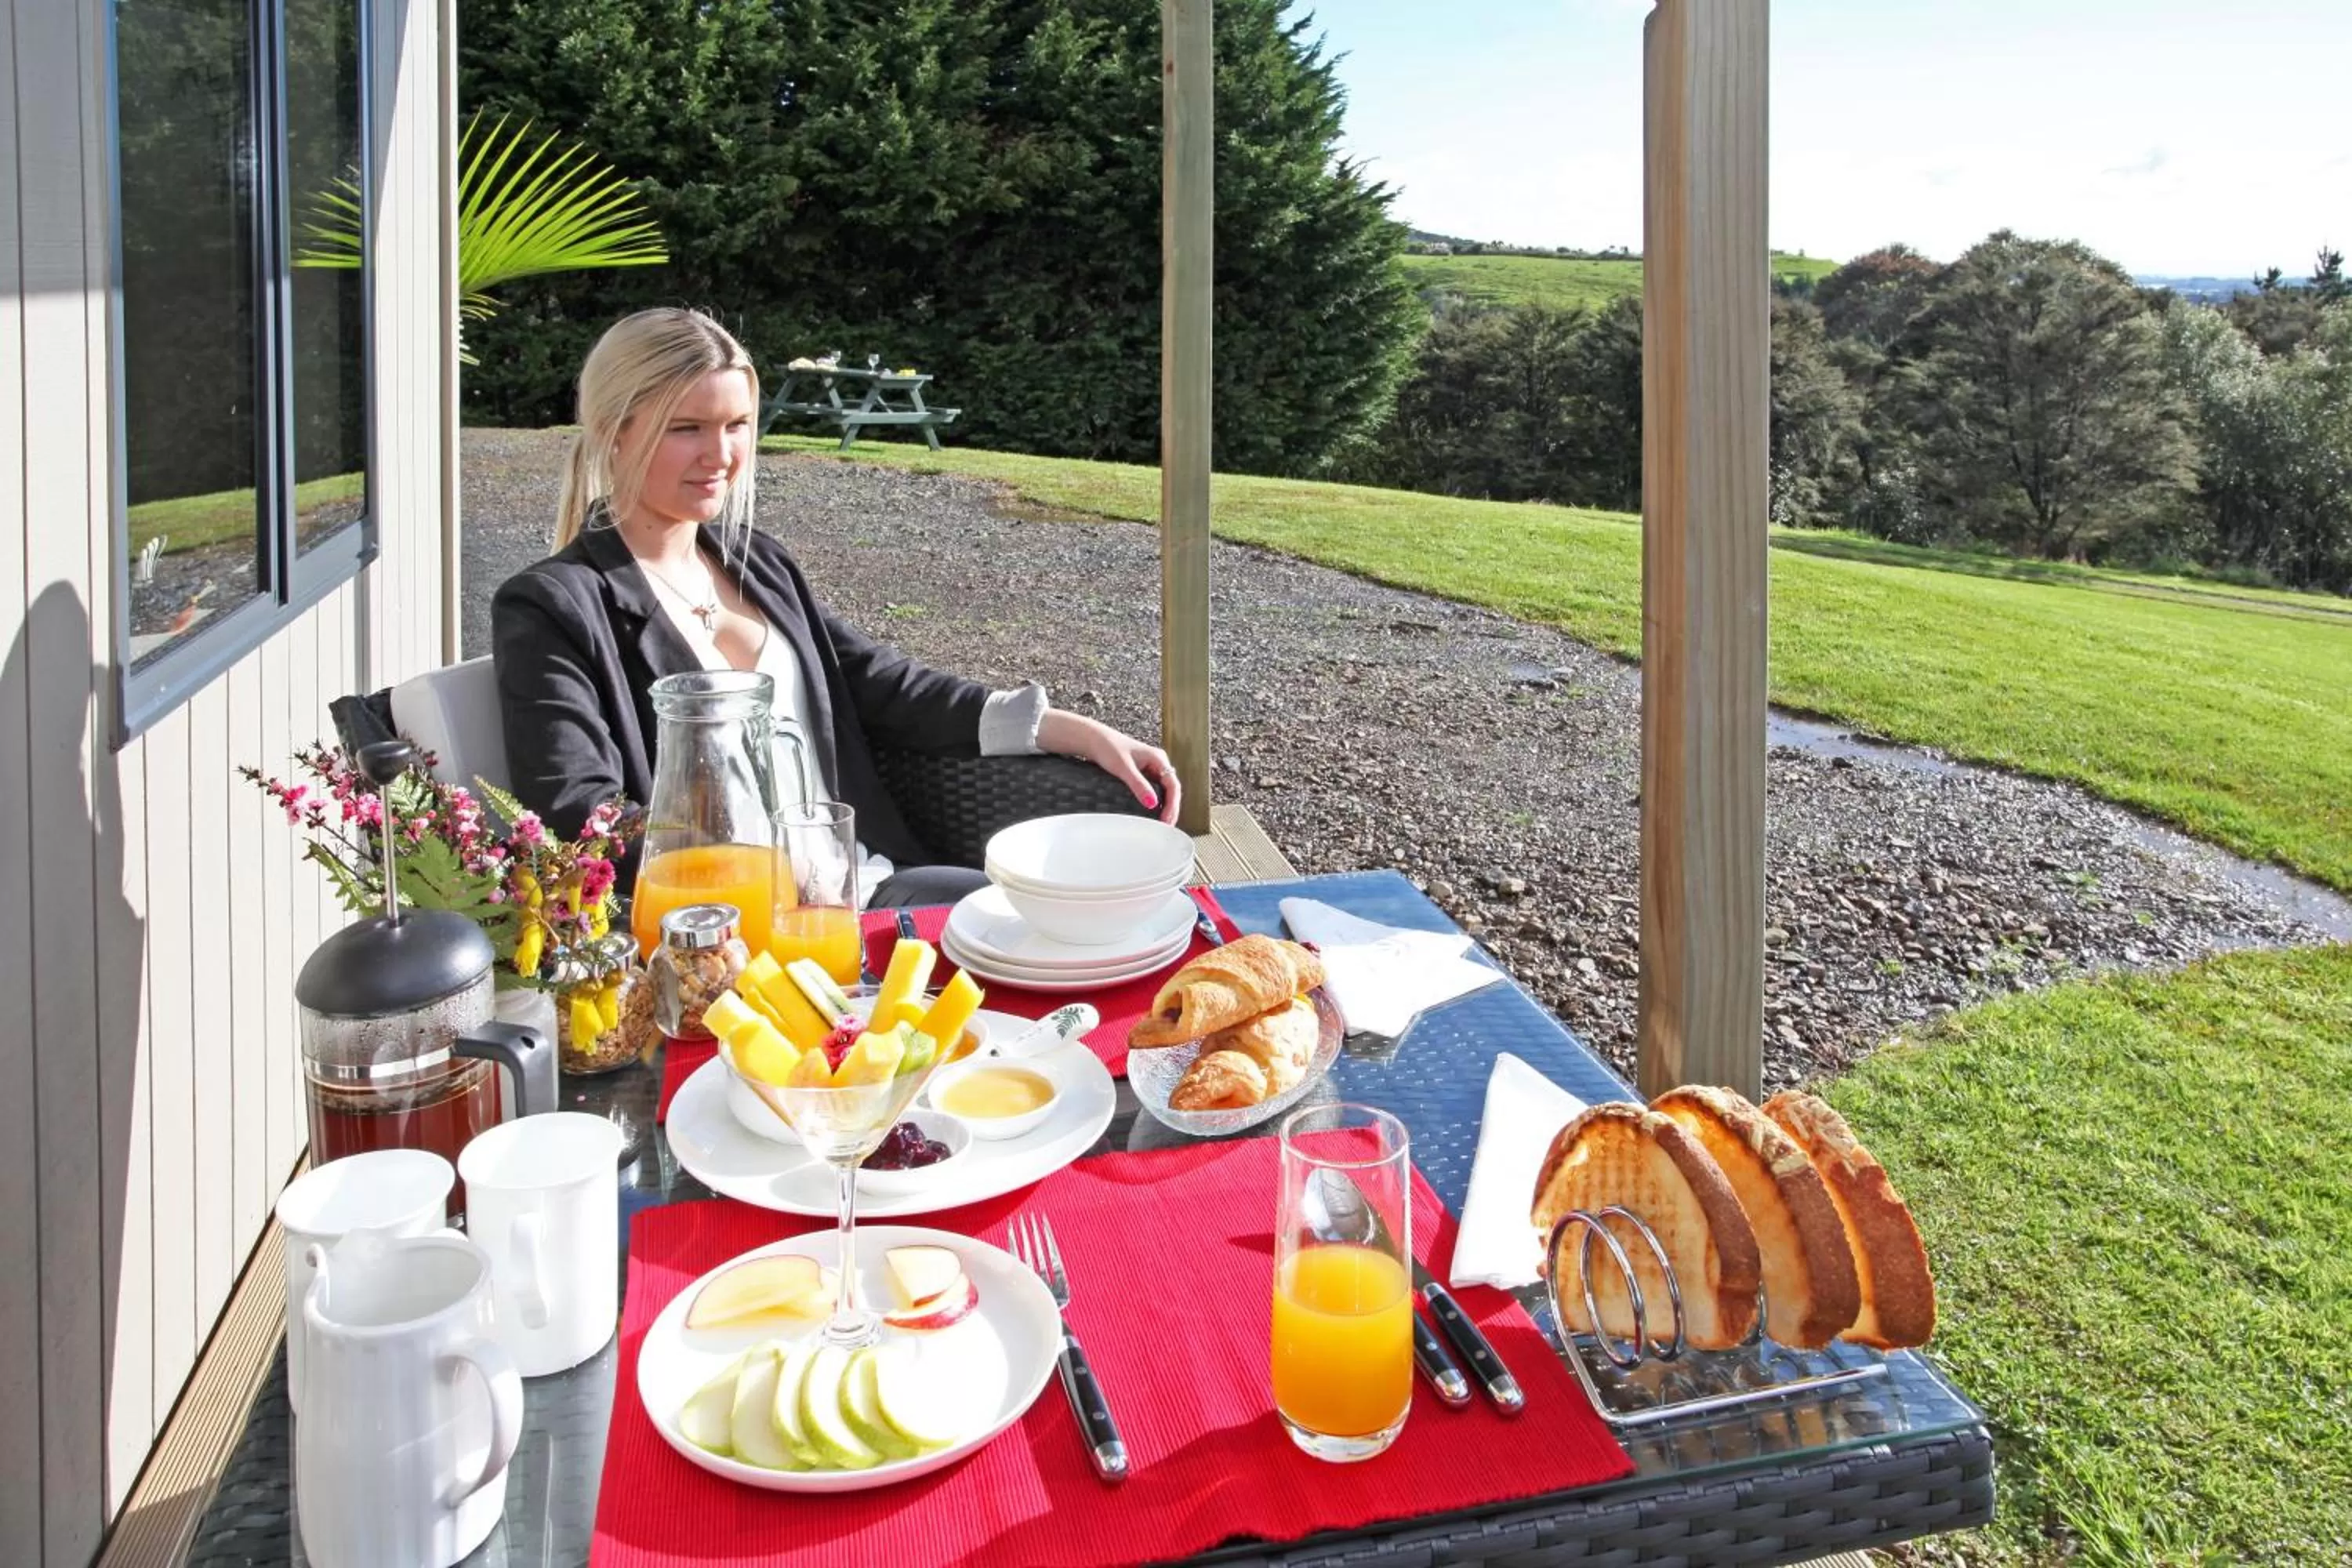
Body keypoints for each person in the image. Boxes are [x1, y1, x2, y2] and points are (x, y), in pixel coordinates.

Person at [491, 307, 1178, 909]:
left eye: (737, 425)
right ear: (614, 430)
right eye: (687, 428)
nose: (721, 455)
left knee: (1078, 914)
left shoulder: (756, 562)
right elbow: (579, 811)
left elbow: (878, 683)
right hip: (729, 932)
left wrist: (1058, 727)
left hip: (865, 887)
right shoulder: (556, 607)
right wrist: (757, 875)